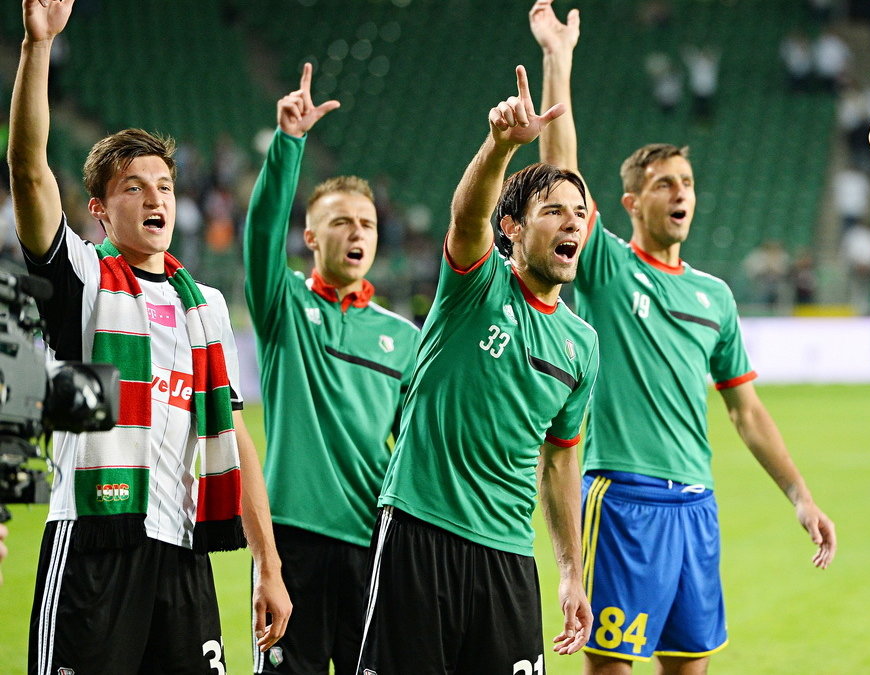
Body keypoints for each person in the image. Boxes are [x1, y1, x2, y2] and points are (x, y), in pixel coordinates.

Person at [530, 2, 836, 672]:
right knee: (611, 665)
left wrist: (800, 495)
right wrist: (559, 57)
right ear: (633, 203)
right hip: (621, 498)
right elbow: (560, 169)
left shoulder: (715, 296)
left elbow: (745, 410)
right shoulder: (606, 266)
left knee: (690, 665)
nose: (681, 193)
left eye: (688, 183)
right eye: (664, 183)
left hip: (696, 504)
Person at [11, 1, 290, 673]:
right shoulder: (83, 281)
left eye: (163, 183)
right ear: (101, 210)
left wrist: (269, 565)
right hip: (93, 546)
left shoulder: (208, 307)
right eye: (133, 187)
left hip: (181, 550)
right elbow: (28, 169)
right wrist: (38, 46)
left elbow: (235, 435)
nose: (155, 197)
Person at [354, 65, 598, 673]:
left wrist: (572, 573)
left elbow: (562, 457)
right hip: (419, 530)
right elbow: (467, 220)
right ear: (511, 228)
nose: (572, 221)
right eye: (553, 210)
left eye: (580, 213)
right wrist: (499, 146)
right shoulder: (476, 283)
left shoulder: (581, 344)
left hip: (509, 558)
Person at [243, 64, 421, 674]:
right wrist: (289, 144)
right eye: (341, 222)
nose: (357, 232)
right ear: (312, 238)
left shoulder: (405, 337)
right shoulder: (284, 306)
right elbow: (262, 231)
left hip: (373, 542)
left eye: (366, 223)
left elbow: (417, 447)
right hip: (291, 539)